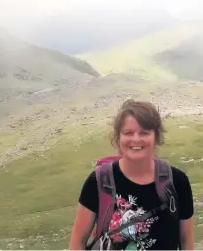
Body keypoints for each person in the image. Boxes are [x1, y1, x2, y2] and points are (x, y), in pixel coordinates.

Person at [69, 99, 194, 250]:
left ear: (156, 137)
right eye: (128, 133)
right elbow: (77, 244)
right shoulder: (99, 181)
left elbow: (187, 243)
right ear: (118, 137)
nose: (136, 139)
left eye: (144, 132)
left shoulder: (178, 182)